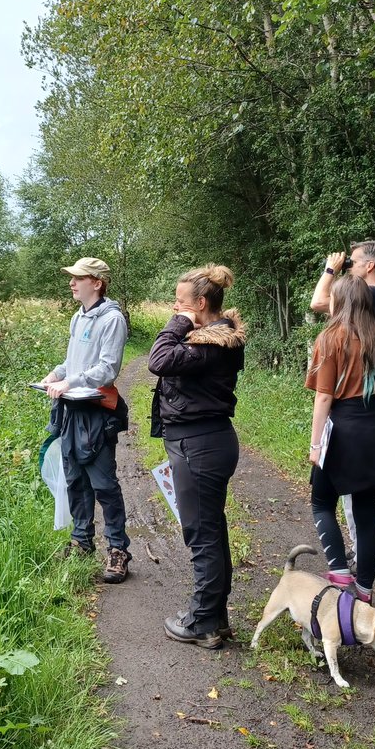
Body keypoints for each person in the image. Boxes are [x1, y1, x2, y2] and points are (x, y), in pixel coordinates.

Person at [148, 265, 246, 649]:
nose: (175, 306)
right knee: (211, 529)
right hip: (203, 442)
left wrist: (177, 321)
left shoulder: (211, 344)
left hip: (199, 446)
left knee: (202, 534)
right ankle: (215, 615)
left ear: (200, 304)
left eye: (181, 301)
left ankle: (202, 621)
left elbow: (158, 359)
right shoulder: (209, 339)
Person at [306, 275, 375, 603]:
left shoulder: (331, 338)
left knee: (321, 502)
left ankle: (339, 573)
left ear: (339, 301)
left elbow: (323, 397)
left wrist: (316, 444)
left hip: (344, 431)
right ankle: (364, 593)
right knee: (366, 510)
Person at [40, 256, 131, 583]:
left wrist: (72, 382)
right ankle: (81, 542)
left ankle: (118, 550)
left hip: (96, 413)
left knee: (104, 484)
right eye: (72, 278)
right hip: (70, 411)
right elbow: (72, 362)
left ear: (97, 282)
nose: (72, 283)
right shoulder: (78, 318)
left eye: (78, 278)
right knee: (75, 480)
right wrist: (57, 374)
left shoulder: (112, 320)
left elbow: (108, 368)